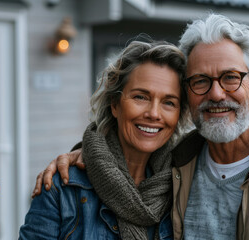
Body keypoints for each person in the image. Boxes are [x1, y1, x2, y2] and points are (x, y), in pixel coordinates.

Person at [33, 14, 249, 239]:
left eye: (230, 77)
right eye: (200, 81)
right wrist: (82, 154)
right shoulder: (178, 165)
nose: (216, 93)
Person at [19, 40, 189, 239]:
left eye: (169, 102)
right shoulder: (61, 188)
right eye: (140, 97)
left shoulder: (184, 186)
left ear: (179, 115)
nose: (154, 113)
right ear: (115, 104)